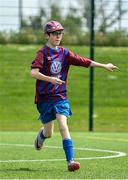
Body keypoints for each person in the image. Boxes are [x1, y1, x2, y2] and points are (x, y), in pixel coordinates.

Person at [31, 21, 118, 172]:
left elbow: (84, 61)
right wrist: (51, 79)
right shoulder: (42, 53)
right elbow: (33, 73)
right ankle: (42, 135)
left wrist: (104, 65)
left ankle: (70, 161)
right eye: (54, 33)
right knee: (49, 132)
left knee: (63, 125)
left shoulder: (65, 53)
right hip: (44, 99)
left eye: (60, 33)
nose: (58, 36)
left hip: (60, 96)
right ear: (47, 35)